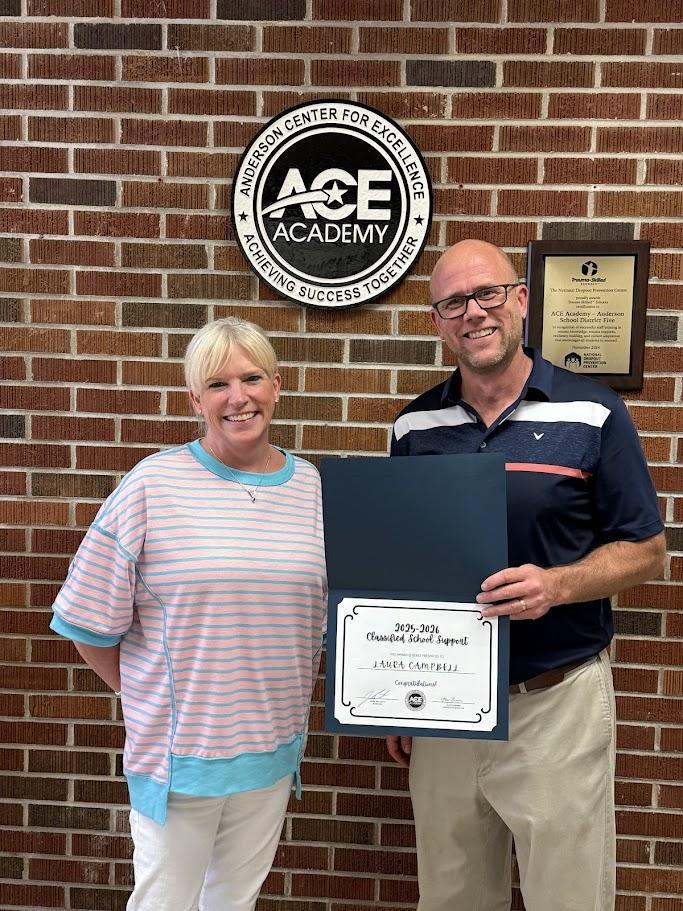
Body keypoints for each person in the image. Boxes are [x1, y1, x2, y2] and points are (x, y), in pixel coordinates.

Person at [386, 240, 665, 911]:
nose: (473, 312)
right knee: (450, 898)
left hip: (553, 702)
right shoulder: (414, 426)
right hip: (446, 708)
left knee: (567, 898)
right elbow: (403, 559)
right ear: (436, 321)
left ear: (520, 300)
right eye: (454, 302)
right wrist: (393, 691)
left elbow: (646, 549)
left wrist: (557, 585)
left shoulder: (592, 412)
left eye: (487, 293)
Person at [50, 316, 327, 911]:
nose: (238, 397)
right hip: (180, 761)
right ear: (196, 400)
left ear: (277, 386)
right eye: (217, 384)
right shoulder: (152, 485)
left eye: (251, 378)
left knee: (234, 903)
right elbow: (86, 620)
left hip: (272, 753)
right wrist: (145, 695)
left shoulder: (311, 486)